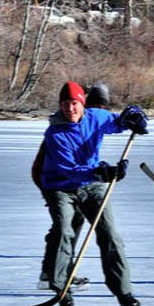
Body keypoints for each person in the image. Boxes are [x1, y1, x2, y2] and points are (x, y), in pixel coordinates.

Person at [40, 81, 148, 306]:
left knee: (110, 235)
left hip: (91, 184)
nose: (70, 109)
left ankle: (124, 292)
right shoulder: (55, 133)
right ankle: (61, 285)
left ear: (83, 104)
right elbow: (68, 169)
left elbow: (117, 123)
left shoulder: (95, 116)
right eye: (66, 104)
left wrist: (132, 117)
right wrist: (101, 172)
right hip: (61, 187)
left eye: (75, 103)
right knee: (64, 230)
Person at [32, 83, 111, 291]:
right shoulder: (62, 130)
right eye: (98, 108)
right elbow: (63, 165)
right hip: (51, 179)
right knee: (65, 227)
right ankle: (55, 274)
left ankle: (52, 272)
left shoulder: (89, 121)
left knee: (67, 226)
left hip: (72, 180)